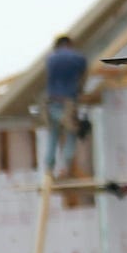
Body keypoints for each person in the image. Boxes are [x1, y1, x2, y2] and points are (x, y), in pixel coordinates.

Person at [43, 34, 90, 175]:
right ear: (69, 44)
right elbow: (83, 77)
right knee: (70, 134)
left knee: (53, 136)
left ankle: (49, 168)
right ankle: (66, 167)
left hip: (52, 103)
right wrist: (80, 90)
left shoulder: (50, 58)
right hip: (68, 103)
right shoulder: (78, 58)